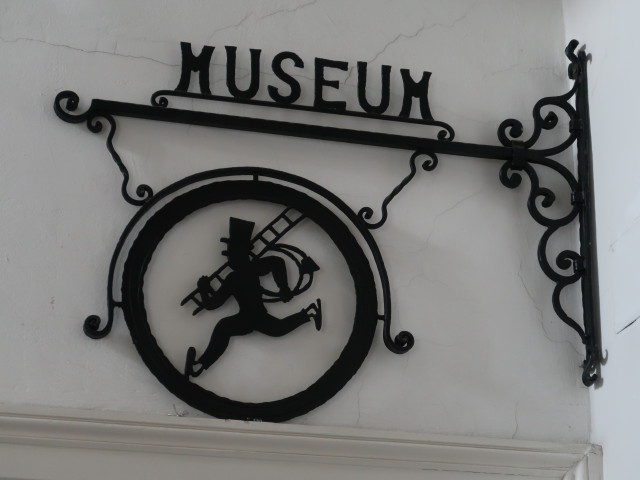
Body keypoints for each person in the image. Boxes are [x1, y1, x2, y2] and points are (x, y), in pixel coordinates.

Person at [184, 217, 322, 378]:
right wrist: (205, 289)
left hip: (251, 317)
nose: (229, 259)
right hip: (250, 316)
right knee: (271, 329)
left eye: (232, 255)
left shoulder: (236, 276)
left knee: (272, 329)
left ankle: (200, 365)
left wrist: (203, 289)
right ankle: (308, 313)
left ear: (241, 254)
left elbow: (212, 303)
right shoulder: (246, 271)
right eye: (229, 255)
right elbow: (276, 262)